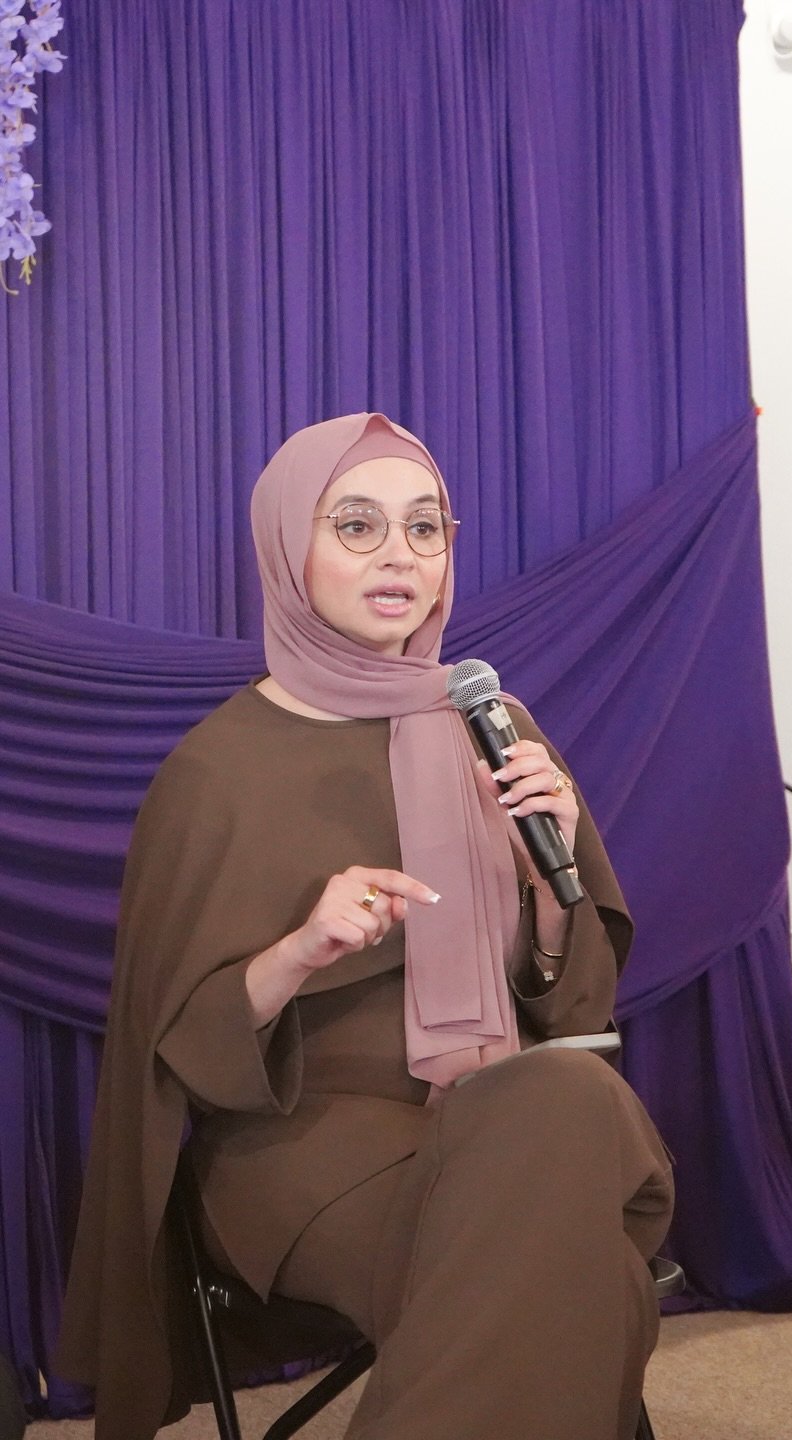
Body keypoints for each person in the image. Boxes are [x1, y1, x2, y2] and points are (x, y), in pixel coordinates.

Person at [57, 413, 674, 1440]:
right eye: (356, 525)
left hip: (507, 1120)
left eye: (425, 528)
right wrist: (299, 952)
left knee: (561, 1096)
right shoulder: (218, 770)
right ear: (286, 549)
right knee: (589, 1262)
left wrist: (544, 887)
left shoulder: (498, 731)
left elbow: (578, 1015)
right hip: (307, 1150)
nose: (400, 555)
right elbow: (175, 1062)